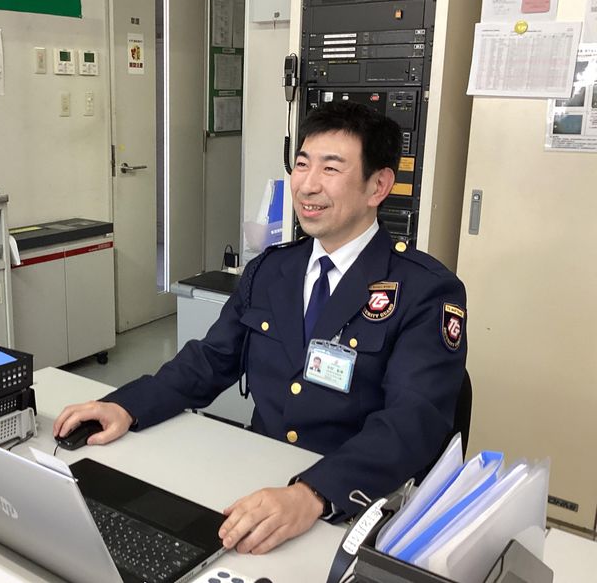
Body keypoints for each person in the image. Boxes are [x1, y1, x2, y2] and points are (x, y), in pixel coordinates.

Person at [54, 101, 467, 556]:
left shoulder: (424, 290)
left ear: (379, 186)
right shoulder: (272, 269)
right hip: (258, 477)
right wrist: (128, 405)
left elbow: (413, 421)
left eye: (331, 168)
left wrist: (313, 493)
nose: (307, 185)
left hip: (350, 501)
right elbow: (210, 360)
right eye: (302, 164)